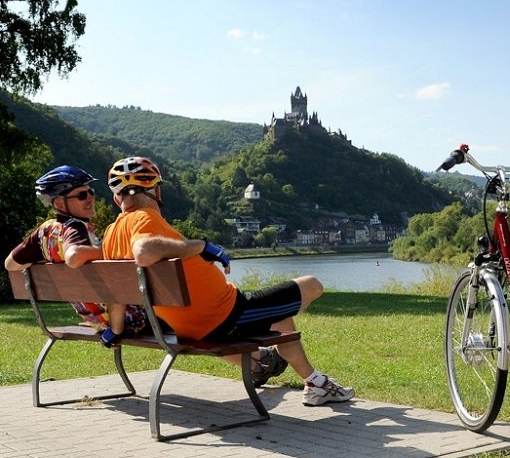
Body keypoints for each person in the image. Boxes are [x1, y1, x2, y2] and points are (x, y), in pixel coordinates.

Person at [99, 156, 353, 406]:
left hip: (188, 327)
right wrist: (202, 246)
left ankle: (300, 376)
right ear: (156, 190)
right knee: (312, 285)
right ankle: (314, 383)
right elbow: (144, 251)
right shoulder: (144, 218)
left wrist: (116, 330)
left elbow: (117, 291)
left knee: (280, 315)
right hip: (227, 315)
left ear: (116, 198)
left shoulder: (110, 234)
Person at [4, 165, 148, 340]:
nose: (90, 198)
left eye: (90, 192)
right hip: (129, 321)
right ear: (58, 203)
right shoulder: (75, 227)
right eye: (81, 195)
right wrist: (114, 252)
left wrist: (44, 261)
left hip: (97, 321)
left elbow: (10, 264)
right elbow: (74, 256)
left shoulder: (44, 232)